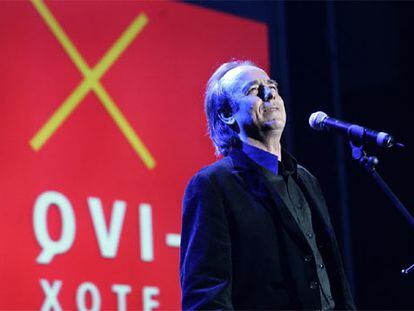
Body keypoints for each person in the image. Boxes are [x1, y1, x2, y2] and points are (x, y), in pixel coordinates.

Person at [179, 60, 355, 310]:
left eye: (272, 86)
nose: (269, 93)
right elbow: (206, 295)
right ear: (227, 115)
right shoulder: (212, 186)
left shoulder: (305, 180)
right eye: (253, 90)